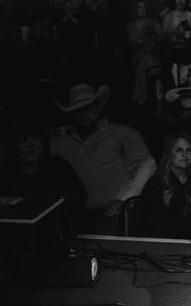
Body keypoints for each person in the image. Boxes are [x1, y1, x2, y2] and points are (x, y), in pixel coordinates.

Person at [49, 83, 156, 233]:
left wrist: (124, 201)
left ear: (98, 107)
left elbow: (147, 165)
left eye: (88, 108)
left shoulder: (123, 133)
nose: (83, 114)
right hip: (71, 217)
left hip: (114, 212)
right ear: (72, 114)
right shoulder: (60, 143)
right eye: (78, 110)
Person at [142, 132, 191, 239]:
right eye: (179, 150)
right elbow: (157, 224)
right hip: (171, 243)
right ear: (168, 153)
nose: (185, 154)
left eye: (188, 150)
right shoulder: (156, 184)